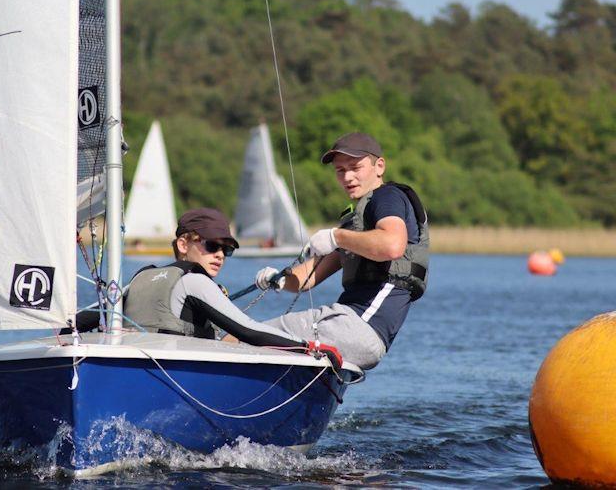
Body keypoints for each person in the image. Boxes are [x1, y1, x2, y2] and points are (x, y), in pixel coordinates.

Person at [254, 132, 429, 370]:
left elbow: (392, 245)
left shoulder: (387, 197)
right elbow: (307, 279)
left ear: (379, 166)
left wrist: (335, 236)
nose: (348, 177)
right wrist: (278, 279)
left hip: (357, 327)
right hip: (352, 331)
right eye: (340, 170)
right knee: (256, 337)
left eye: (355, 167)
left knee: (245, 335)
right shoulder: (356, 223)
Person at [121, 208, 338, 364]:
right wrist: (308, 347)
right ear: (183, 244)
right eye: (212, 245)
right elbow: (248, 330)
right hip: (173, 372)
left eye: (226, 250)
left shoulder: (139, 277)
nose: (220, 255)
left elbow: (90, 317)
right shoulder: (195, 281)